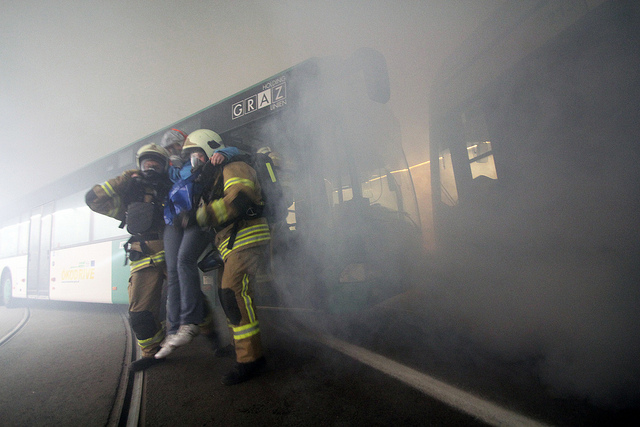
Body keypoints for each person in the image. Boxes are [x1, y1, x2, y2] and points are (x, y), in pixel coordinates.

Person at [85, 144, 172, 372]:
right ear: (139, 166)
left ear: (164, 166)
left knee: (192, 302)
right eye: (146, 163)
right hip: (143, 256)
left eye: (156, 163)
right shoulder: (129, 197)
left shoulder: (173, 187)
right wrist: (123, 180)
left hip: (173, 253)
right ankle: (152, 353)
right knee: (140, 313)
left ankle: (214, 340)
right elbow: (93, 199)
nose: (151, 166)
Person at [155, 129, 240, 359]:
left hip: (196, 217)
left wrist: (223, 153)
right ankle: (173, 330)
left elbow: (235, 151)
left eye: (176, 148)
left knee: (184, 261)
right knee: (173, 271)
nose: (175, 153)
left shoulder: (206, 160)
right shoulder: (175, 169)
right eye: (170, 150)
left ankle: (190, 323)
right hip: (175, 219)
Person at [195, 146, 271, 385]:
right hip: (231, 242)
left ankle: (251, 360)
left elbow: (239, 198)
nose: (195, 161)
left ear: (211, 150)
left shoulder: (233, 166)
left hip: (245, 238)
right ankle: (241, 347)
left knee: (234, 294)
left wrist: (199, 216)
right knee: (228, 296)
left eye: (198, 155)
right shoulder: (217, 176)